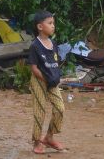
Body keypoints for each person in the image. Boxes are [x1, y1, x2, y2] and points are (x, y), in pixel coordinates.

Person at [28, 11, 66, 154]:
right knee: (39, 112)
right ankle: (37, 142)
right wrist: (46, 78)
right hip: (39, 81)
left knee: (60, 109)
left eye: (53, 23)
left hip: (52, 81)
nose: (53, 26)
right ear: (40, 26)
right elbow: (34, 68)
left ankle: (49, 137)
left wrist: (55, 77)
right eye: (49, 23)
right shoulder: (35, 46)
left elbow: (55, 63)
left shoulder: (53, 43)